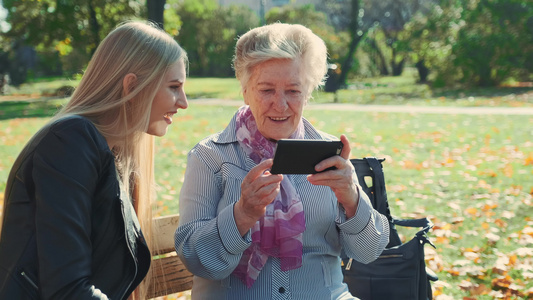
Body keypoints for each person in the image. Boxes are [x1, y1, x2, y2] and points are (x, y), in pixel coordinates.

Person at [174, 23, 389, 299]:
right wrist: (241, 215)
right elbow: (195, 259)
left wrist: (352, 199)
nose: (280, 104)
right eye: (266, 90)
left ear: (308, 93)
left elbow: (369, 251)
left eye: (293, 91)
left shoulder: (329, 155)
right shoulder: (210, 156)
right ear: (245, 91)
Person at [0, 20, 188, 299]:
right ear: (132, 86)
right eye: (174, 87)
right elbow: (68, 289)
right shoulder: (70, 141)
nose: (183, 102)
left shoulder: (110, 151)